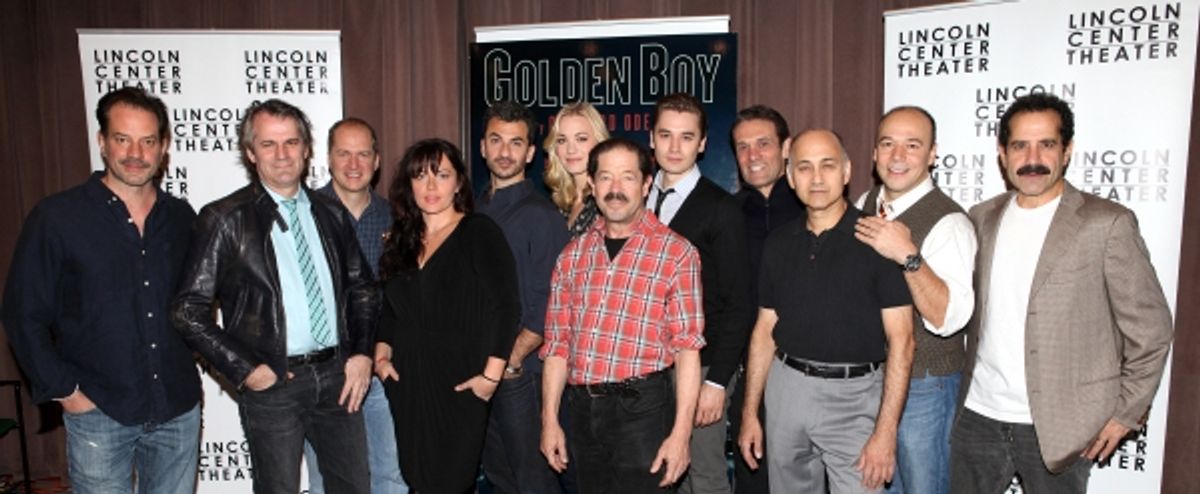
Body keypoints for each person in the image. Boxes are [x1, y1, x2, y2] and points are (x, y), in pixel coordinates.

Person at [950, 93, 1173, 493]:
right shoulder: (981, 217)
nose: (1032, 158)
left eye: (1046, 144)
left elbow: (1151, 330)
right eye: (1020, 145)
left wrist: (1127, 413)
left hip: (1062, 425)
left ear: (1067, 151)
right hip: (978, 416)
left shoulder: (1106, 224)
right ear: (1002, 153)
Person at [172, 99, 376, 494]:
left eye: (291, 142)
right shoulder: (225, 218)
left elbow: (363, 288)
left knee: (354, 488)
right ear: (250, 153)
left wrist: (362, 352)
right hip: (274, 384)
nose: (282, 154)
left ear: (306, 148)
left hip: (338, 378)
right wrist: (245, 368)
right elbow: (187, 311)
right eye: (268, 144)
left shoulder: (331, 213)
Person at [3, 87, 201, 493]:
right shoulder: (57, 218)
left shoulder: (182, 218)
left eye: (148, 141)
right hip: (99, 411)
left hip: (177, 410)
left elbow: (197, 305)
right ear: (102, 141)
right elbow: (23, 313)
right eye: (122, 139)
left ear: (164, 147)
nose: (135, 152)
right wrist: (67, 392)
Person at [738, 129, 914, 494]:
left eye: (827, 166)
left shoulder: (878, 238)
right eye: (804, 167)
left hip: (855, 399)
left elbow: (903, 341)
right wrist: (750, 412)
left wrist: (885, 432)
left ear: (847, 172)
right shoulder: (778, 243)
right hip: (785, 391)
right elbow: (764, 330)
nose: (816, 178)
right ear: (790, 177)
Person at [540, 137, 705, 493]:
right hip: (582, 412)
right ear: (591, 184)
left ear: (646, 183)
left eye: (628, 177)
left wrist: (681, 435)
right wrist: (550, 420)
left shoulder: (677, 253)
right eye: (605, 178)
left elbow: (688, 349)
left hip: (644, 413)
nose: (615, 189)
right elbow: (557, 345)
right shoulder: (571, 256)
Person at [373, 138, 521, 494]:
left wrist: (491, 376)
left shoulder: (478, 232)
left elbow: (506, 306)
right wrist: (381, 355)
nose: (430, 186)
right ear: (409, 184)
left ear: (458, 183)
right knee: (417, 480)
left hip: (461, 384)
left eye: (441, 175)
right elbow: (391, 309)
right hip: (407, 383)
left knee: (451, 483)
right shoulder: (401, 241)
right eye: (420, 176)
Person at [853, 106, 977, 494]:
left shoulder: (949, 222)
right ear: (874, 154)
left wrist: (907, 255)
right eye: (888, 144)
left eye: (912, 145)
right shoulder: (864, 203)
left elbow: (947, 318)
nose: (898, 156)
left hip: (926, 385)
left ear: (932, 154)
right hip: (871, 380)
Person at [647, 92, 754, 494]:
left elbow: (739, 302)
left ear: (703, 143)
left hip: (703, 366)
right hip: (646, 367)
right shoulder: (635, 197)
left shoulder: (721, 208)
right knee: (655, 471)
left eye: (687, 137)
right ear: (652, 139)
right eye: (666, 135)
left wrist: (717, 382)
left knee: (704, 475)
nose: (675, 147)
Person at [304, 117, 409, 494]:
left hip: (382, 368)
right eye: (344, 153)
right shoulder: (303, 215)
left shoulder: (396, 220)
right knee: (326, 482)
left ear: (377, 160)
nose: (353, 164)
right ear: (328, 159)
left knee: (390, 474)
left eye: (363, 154)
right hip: (324, 373)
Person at [477, 101, 569, 493]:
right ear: (482, 147)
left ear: (530, 153)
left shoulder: (541, 216)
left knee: (533, 483)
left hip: (521, 377)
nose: (504, 152)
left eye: (516, 143)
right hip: (481, 373)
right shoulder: (472, 210)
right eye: (496, 140)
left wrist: (511, 361)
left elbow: (551, 305)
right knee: (499, 480)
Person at [728, 104, 804, 494]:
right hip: (751, 375)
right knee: (752, 480)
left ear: (786, 147)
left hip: (810, 376)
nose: (752, 156)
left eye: (763, 144)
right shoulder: (728, 215)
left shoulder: (816, 208)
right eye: (742, 147)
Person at [543, 101, 611, 236]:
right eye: (562, 140)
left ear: (600, 142)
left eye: (581, 139)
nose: (571, 149)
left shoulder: (608, 199)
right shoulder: (558, 204)